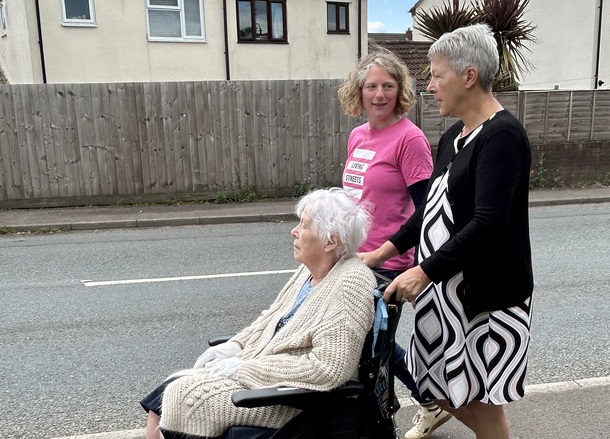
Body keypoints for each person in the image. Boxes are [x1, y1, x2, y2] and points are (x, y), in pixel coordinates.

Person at [360, 24, 534, 439]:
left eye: (437, 75)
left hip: (488, 297)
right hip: (448, 291)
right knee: (441, 388)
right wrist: (378, 256)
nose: (429, 85)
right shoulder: (455, 136)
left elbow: (488, 223)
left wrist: (423, 272)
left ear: (468, 76)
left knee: (482, 404)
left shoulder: (503, 136)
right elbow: (430, 211)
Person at [140, 188, 376, 439]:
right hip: (267, 372)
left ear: (331, 241)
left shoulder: (351, 282)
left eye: (304, 225)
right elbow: (271, 317)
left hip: (296, 399)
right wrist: (235, 344)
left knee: (181, 395)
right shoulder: (308, 272)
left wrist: (244, 369)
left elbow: (329, 369)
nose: (294, 231)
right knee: (164, 393)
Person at [338, 49, 451, 439]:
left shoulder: (410, 139)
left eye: (388, 85)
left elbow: (427, 212)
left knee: (372, 349)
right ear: (360, 91)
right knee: (368, 344)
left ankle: (389, 416)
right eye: (372, 86)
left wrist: (411, 266)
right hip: (354, 258)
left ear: (400, 91)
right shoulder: (358, 136)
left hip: (390, 262)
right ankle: (424, 404)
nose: (380, 94)